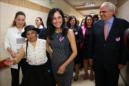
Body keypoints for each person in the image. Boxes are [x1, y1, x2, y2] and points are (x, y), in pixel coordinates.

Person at [89, 2, 129, 86]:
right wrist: (91, 57)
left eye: (104, 11)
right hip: (98, 63)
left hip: (114, 63)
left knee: (112, 83)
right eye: (100, 11)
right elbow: (92, 43)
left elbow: (125, 45)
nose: (101, 14)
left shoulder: (123, 24)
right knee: (99, 83)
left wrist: (122, 61)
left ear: (112, 12)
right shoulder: (96, 25)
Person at [46, 8, 77, 86]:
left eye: (59, 17)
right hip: (55, 64)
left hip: (67, 64)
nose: (57, 21)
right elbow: (46, 44)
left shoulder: (68, 32)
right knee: (58, 84)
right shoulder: (50, 33)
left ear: (63, 18)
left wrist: (64, 66)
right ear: (50, 20)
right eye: (54, 18)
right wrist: (51, 53)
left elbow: (75, 52)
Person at [4, 11, 26, 86]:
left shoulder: (26, 30)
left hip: (25, 58)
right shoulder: (10, 30)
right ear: (15, 20)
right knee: (15, 78)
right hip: (14, 58)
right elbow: (6, 44)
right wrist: (11, 52)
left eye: (23, 20)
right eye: (19, 19)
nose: (20, 22)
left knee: (26, 77)